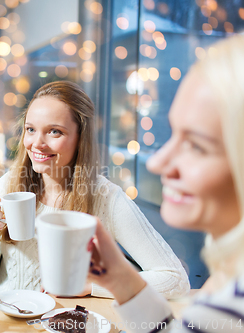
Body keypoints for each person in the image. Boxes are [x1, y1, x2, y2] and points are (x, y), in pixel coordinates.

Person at [0, 81, 190, 299]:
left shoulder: (106, 198)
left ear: (80, 138)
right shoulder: (9, 185)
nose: (37, 143)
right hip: (8, 320)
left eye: (54, 132)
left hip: (67, 323)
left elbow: (175, 280)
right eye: (31, 129)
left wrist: (93, 286)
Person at [87, 35, 244, 332]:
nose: (157, 162)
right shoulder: (228, 284)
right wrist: (120, 278)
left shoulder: (230, 308)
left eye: (196, 146)